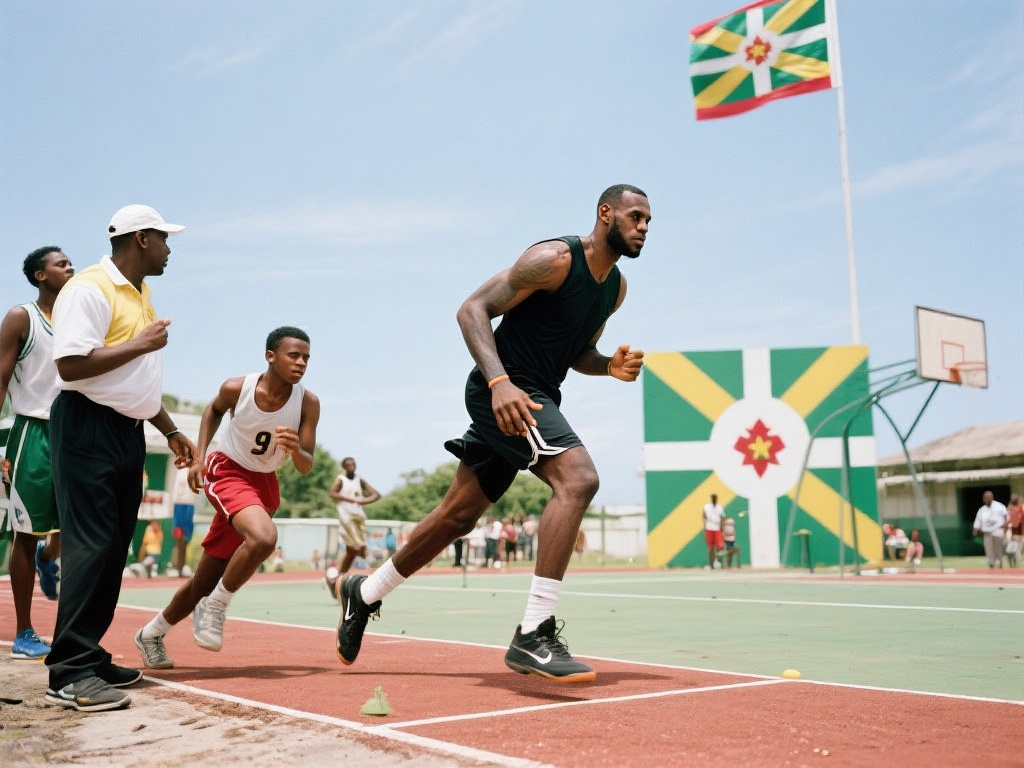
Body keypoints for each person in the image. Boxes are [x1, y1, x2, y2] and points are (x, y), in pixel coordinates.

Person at [335, 184, 650, 684]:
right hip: (502, 391)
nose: (643, 228)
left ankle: (364, 592)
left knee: (455, 518)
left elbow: (576, 352)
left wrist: (607, 365)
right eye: (635, 217)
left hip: (533, 395)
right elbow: (472, 309)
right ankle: (534, 632)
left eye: (648, 222)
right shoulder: (552, 260)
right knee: (579, 479)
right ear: (605, 213)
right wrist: (499, 382)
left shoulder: (614, 288)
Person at [45, 205, 196, 713]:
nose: (170, 248)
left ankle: (87, 654)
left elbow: (135, 384)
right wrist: (141, 343)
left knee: (112, 551)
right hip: (87, 425)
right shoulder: (89, 288)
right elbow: (70, 363)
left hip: (128, 431)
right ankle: (68, 671)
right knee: (89, 546)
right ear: (140, 239)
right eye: (163, 238)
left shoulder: (140, 295)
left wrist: (170, 429)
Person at [134, 327, 319, 669]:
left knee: (202, 582)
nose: (301, 362)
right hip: (228, 471)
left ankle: (151, 632)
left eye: (306, 357)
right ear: (270, 356)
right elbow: (212, 411)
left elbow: (306, 465)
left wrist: (295, 450)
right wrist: (200, 458)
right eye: (294, 355)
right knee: (264, 537)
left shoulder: (307, 403)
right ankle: (217, 605)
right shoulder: (238, 387)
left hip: (263, 485)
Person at [0, 246, 75, 660]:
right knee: (25, 534)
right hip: (32, 432)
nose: (71, 267)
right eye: (61, 263)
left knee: (68, 530)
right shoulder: (21, 317)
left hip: (73, 433)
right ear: (39, 275)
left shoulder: (76, 320)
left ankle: (51, 558)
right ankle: (24, 632)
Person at [323, 457, 381, 600]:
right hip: (346, 517)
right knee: (358, 547)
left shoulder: (359, 480)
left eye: (353, 464)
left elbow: (376, 495)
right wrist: (351, 500)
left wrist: (363, 501)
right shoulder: (341, 479)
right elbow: (332, 493)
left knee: (353, 551)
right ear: (344, 467)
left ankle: (335, 580)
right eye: (348, 465)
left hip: (358, 517)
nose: (351, 467)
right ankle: (372, 563)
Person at [169, 467, 198, 577]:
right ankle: (177, 566)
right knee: (178, 536)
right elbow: (177, 489)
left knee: (186, 538)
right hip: (180, 504)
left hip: (189, 504)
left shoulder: (195, 470)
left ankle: (181, 565)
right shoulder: (181, 471)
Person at [972, 490, 1009, 569]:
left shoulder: (1000, 506)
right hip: (987, 533)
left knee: (998, 550)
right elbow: (978, 520)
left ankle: (999, 564)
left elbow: (1006, 518)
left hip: (998, 531)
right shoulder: (982, 509)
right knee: (989, 550)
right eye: (984, 498)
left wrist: (1006, 530)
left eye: (986, 498)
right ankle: (991, 564)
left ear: (991, 498)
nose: (985, 500)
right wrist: (975, 529)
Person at [702, 493, 725, 569]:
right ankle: (711, 564)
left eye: (715, 498)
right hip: (709, 528)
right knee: (710, 548)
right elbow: (704, 516)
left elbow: (722, 517)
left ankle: (719, 563)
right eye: (713, 498)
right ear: (711, 499)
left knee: (720, 547)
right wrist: (704, 527)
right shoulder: (706, 507)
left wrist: (721, 527)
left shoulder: (720, 507)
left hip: (717, 529)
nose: (714, 499)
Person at [1005, 494, 1022, 568]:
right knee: (1010, 550)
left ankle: (1015, 564)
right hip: (1011, 531)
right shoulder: (1009, 508)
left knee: (1017, 549)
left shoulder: (1021, 507)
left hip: (1019, 531)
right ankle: (1012, 564)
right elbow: (1007, 520)